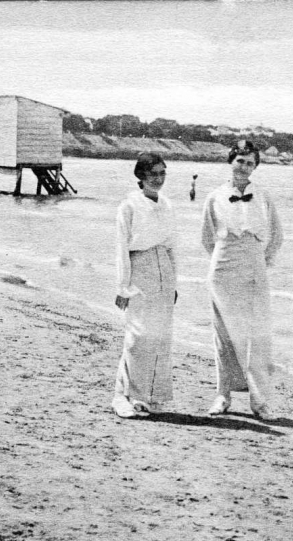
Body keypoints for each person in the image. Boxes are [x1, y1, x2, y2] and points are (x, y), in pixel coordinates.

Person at [201, 140, 283, 420]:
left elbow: (277, 236)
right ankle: (223, 396)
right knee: (223, 336)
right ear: (230, 161)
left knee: (257, 335)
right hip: (222, 269)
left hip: (253, 268)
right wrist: (223, 260)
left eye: (250, 163)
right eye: (240, 161)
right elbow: (206, 238)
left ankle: (260, 403)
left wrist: (261, 261)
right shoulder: (214, 196)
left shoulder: (263, 196)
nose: (244, 167)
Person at [111, 152, 178, 418]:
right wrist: (122, 287)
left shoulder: (168, 205)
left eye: (163, 173)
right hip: (139, 268)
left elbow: (173, 246)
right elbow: (121, 248)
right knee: (137, 336)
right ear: (140, 176)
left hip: (164, 270)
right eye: (153, 174)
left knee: (159, 337)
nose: (159, 179)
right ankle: (122, 395)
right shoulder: (128, 206)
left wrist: (174, 283)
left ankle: (149, 397)